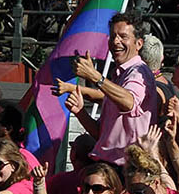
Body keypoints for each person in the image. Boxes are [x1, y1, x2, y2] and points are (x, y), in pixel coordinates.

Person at [56, 13, 159, 167]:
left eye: (123, 36)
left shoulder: (138, 72)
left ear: (138, 44)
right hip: (109, 165)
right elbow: (102, 135)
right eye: (113, 36)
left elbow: (129, 102)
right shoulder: (119, 75)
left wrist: (95, 76)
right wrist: (80, 111)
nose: (116, 41)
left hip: (127, 168)